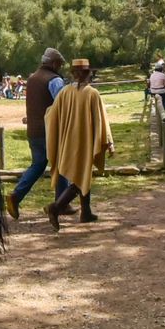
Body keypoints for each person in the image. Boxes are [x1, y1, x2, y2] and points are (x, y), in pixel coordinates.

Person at [45, 58, 113, 229]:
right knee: (81, 177)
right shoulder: (92, 93)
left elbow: (51, 115)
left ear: (74, 74)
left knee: (83, 175)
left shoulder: (65, 92)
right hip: (85, 141)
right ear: (88, 73)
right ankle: (56, 207)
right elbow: (101, 119)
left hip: (68, 141)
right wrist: (109, 141)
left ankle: (86, 212)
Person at [7, 48, 69, 220]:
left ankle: (16, 196)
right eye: (60, 64)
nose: (60, 68)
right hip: (50, 131)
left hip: (33, 131)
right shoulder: (54, 80)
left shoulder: (32, 78)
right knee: (62, 165)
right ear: (55, 63)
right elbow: (62, 105)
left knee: (38, 165)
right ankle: (61, 203)